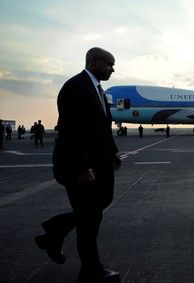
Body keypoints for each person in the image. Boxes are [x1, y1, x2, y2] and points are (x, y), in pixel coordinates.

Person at [35, 47, 121, 282]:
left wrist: (113, 152)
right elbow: (72, 132)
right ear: (94, 61)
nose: (113, 69)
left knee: (97, 207)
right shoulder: (76, 87)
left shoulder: (97, 90)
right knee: (90, 219)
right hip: (80, 167)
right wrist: (82, 168)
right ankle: (91, 270)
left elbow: (101, 127)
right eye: (109, 64)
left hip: (99, 164)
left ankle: (54, 233)